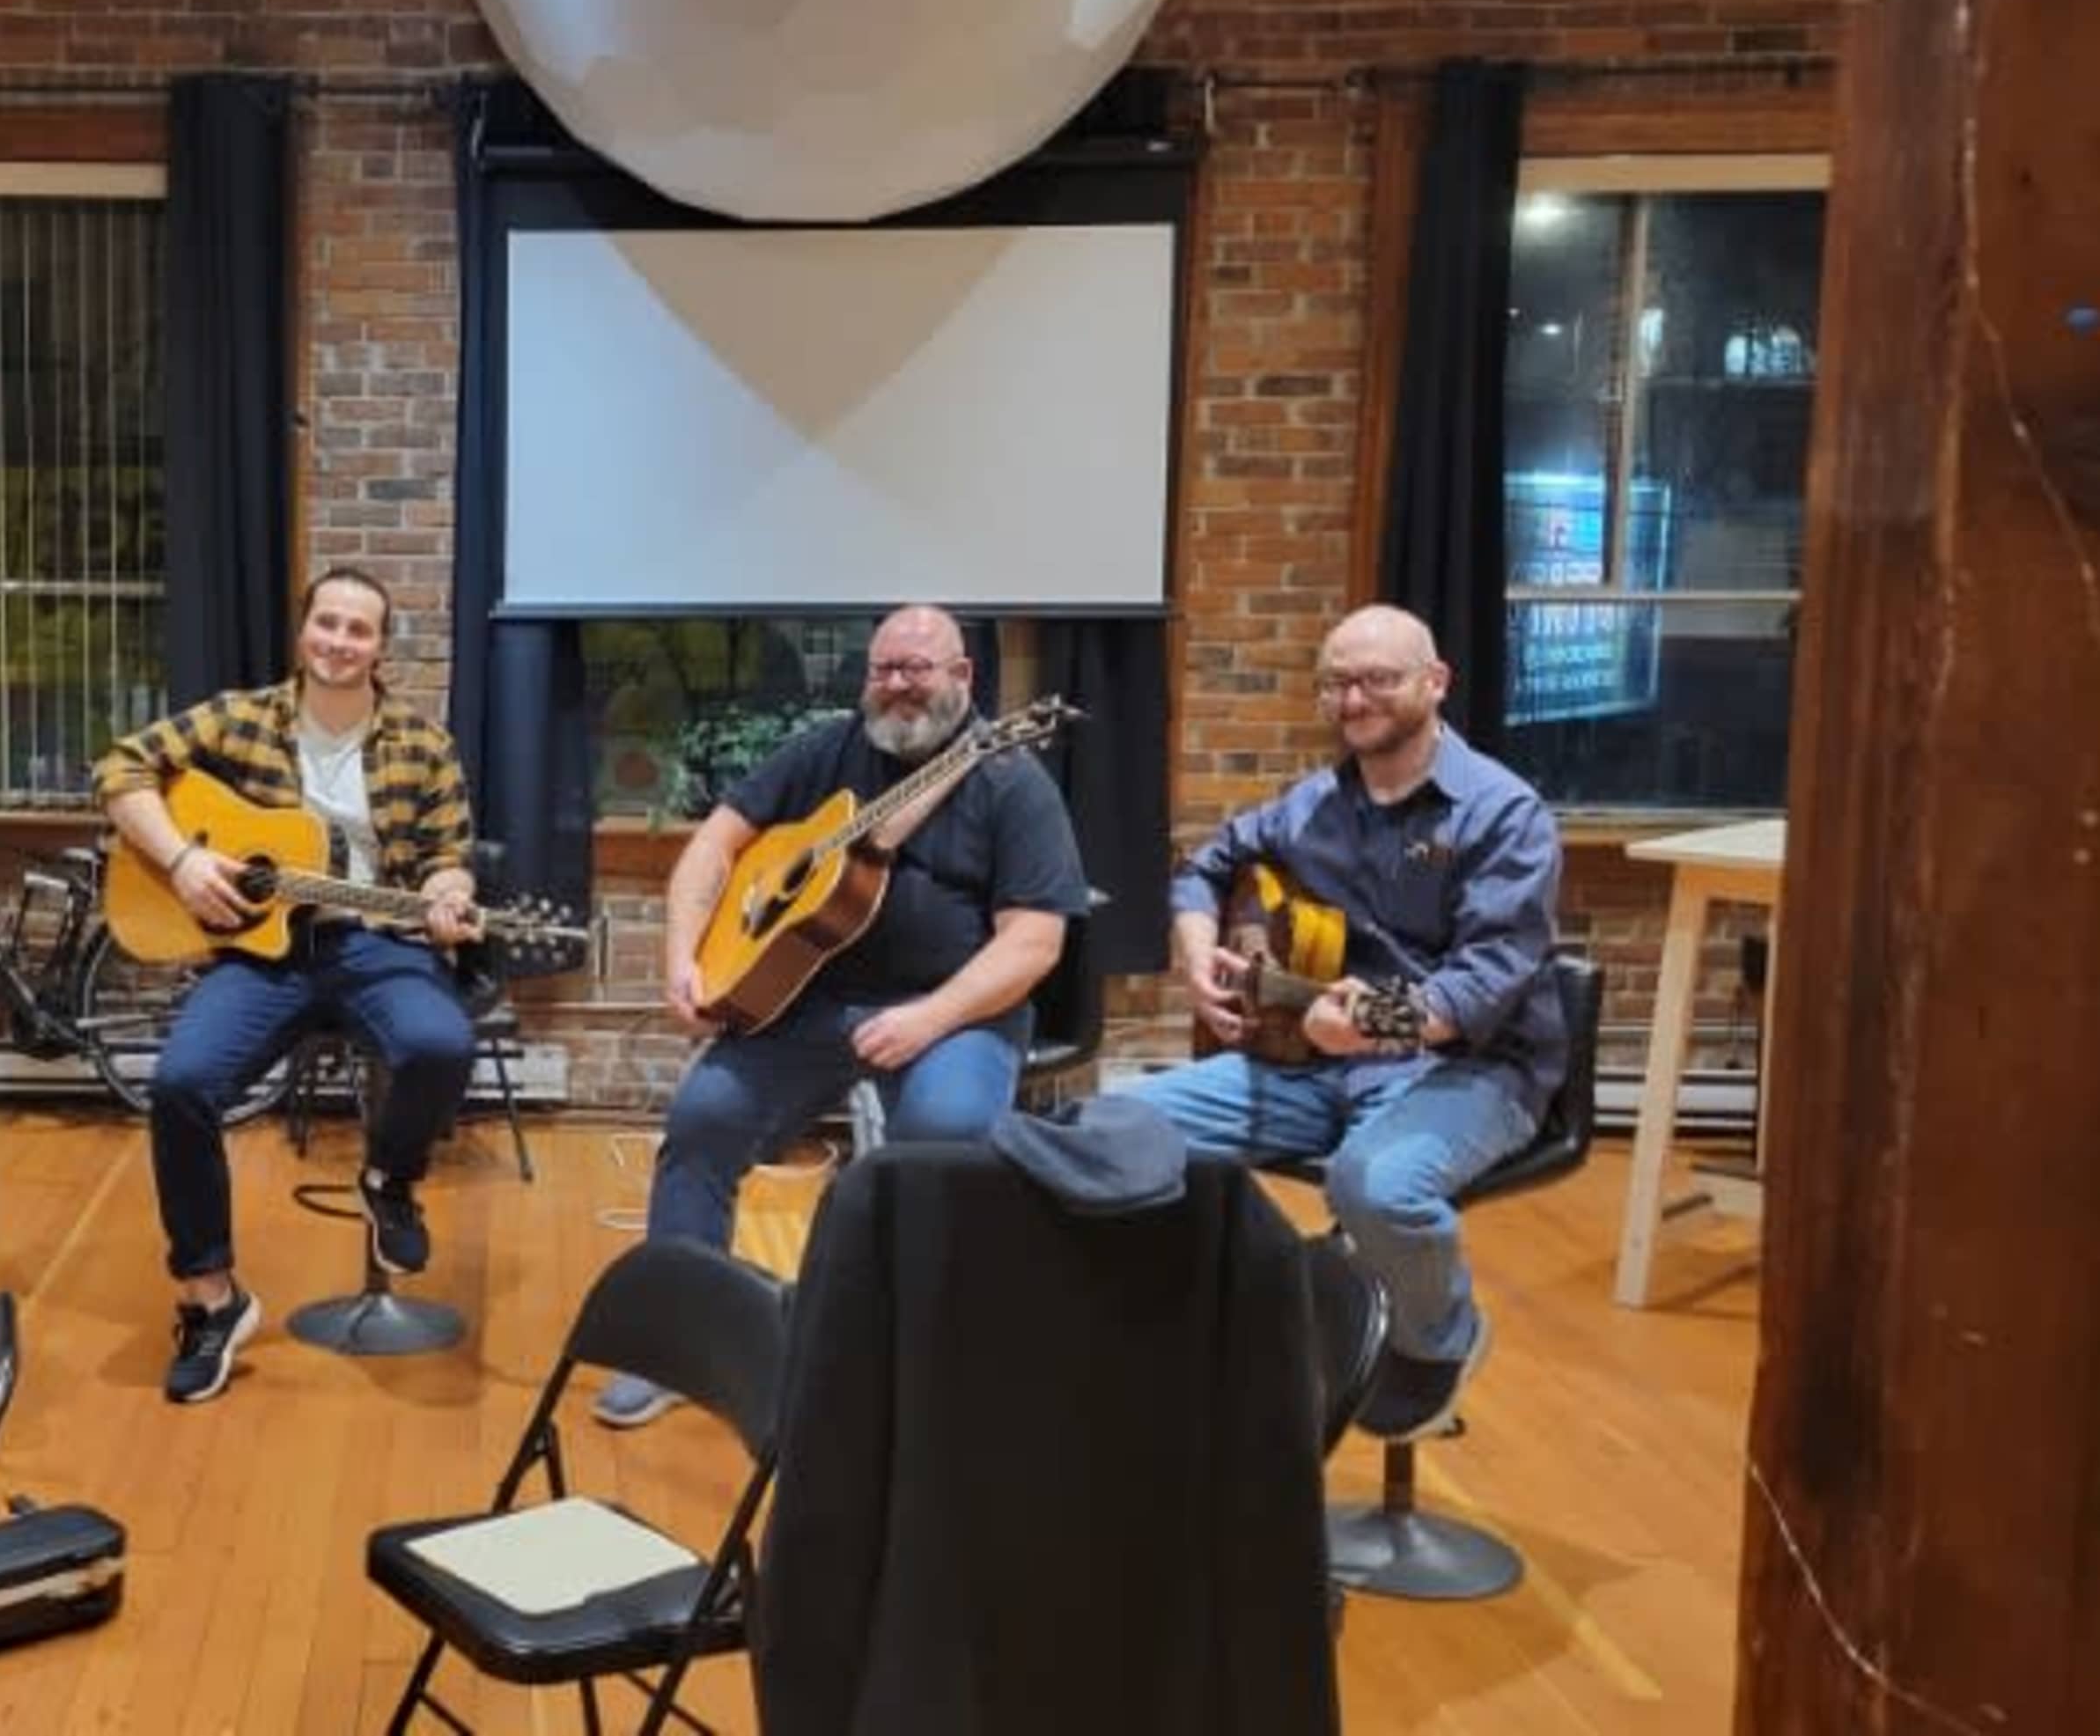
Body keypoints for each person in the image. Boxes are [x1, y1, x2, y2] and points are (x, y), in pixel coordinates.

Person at [598, 603, 1089, 1429]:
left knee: (945, 1131)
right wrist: (685, 956)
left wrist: (930, 1019)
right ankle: (672, 1342)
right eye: (883, 668)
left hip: (957, 1012)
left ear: (963, 677)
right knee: (702, 1118)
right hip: (806, 999)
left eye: (917, 669)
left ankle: (920, 1351)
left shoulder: (1012, 782)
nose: (896, 686)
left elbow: (1034, 944)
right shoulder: (828, 748)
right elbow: (713, 848)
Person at [1122, 604, 1566, 1439]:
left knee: (1374, 1184)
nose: (1353, 699)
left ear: (1435, 683)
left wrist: (1373, 1024)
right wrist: (1195, 945)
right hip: (1315, 1062)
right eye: (1335, 683)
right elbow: (1204, 865)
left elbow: (1483, 985)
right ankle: (1257, 1301)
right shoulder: (1312, 805)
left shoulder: (1505, 814)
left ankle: (1440, 1334)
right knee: (1118, 1127)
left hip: (1474, 1069)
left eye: (1377, 679)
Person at [95, 567, 483, 1404]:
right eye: (328, 624)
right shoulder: (243, 716)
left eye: (360, 630)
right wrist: (184, 857)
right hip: (264, 951)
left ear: (383, 647)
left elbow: (449, 855)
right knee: (181, 1085)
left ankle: (389, 1178)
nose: (341, 642)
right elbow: (122, 769)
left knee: (441, 1043)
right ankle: (211, 1298)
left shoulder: (423, 742)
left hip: (379, 943)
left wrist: (450, 895)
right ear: (303, 631)